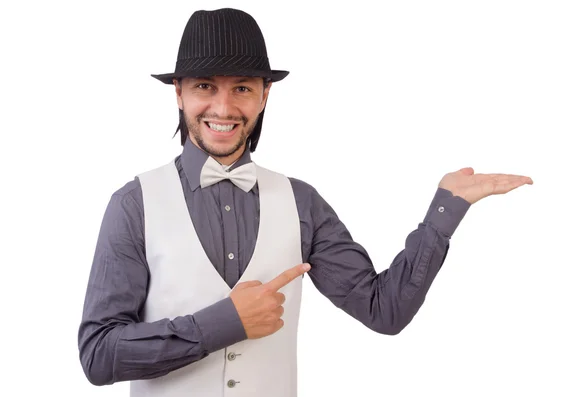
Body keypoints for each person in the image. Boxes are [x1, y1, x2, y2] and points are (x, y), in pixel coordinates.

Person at [77, 7, 533, 397]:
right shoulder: (134, 204)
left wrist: (445, 210)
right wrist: (225, 322)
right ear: (178, 92)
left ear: (264, 95)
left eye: (241, 87)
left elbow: (384, 310)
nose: (223, 107)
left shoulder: (302, 203)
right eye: (204, 87)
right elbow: (98, 355)